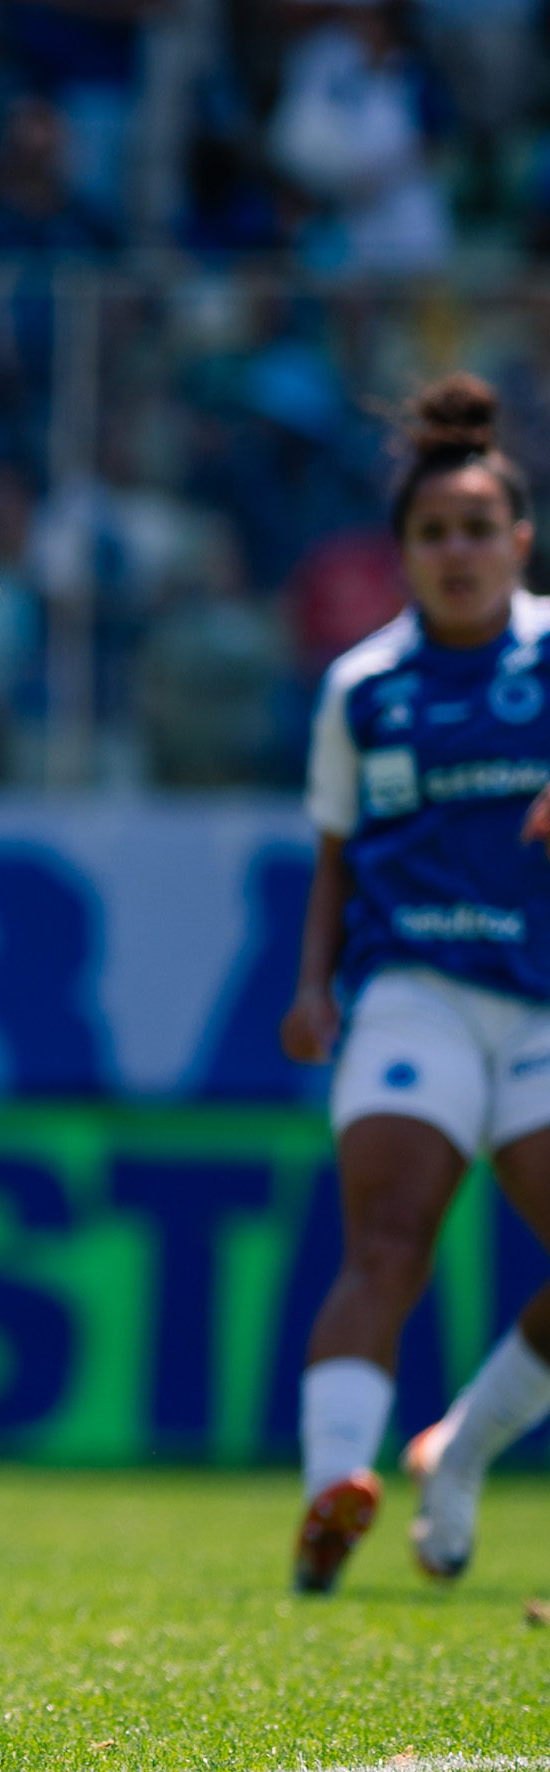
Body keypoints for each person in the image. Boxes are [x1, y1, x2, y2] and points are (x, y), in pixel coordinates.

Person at [281, 374, 550, 1593]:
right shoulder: (363, 687)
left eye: (479, 528)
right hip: (415, 992)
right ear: (402, 552)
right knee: (387, 1237)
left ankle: (459, 1451)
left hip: (543, 1004)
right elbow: (334, 853)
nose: (458, 551)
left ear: (520, 539)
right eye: (434, 532)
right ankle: (336, 1483)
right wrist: (311, 987)